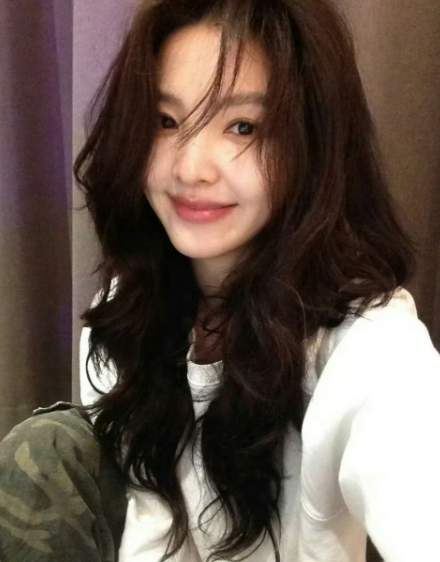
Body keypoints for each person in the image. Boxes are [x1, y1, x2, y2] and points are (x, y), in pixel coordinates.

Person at [0, 0, 439, 560]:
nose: (191, 168)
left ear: (313, 144)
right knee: (45, 448)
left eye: (242, 127)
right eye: (166, 121)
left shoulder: (367, 345)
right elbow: (148, 519)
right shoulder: (127, 307)